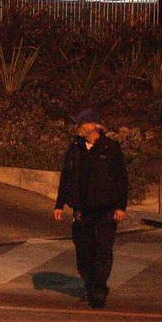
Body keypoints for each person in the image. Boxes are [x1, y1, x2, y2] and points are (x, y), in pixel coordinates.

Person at [54, 110, 129, 309]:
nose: (78, 127)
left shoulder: (110, 148)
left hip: (106, 208)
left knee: (103, 249)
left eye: (82, 123)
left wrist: (121, 206)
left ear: (93, 125)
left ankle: (98, 290)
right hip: (82, 209)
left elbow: (121, 178)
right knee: (84, 250)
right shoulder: (75, 148)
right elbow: (66, 176)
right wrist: (59, 204)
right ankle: (89, 284)